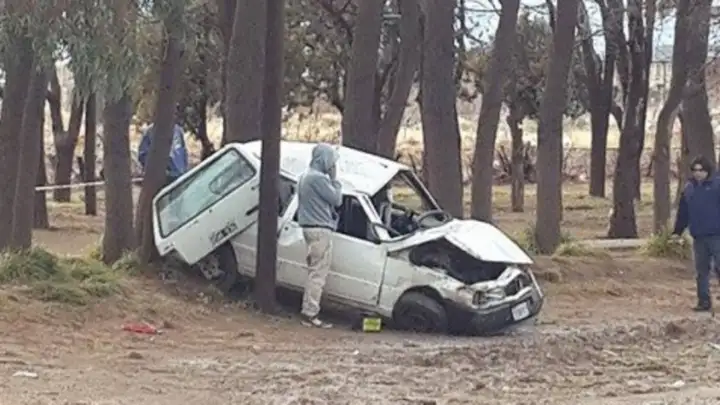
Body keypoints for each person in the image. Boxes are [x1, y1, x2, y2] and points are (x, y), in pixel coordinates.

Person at [296, 143, 343, 328]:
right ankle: (310, 313)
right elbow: (337, 199)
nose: (332, 165)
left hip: (309, 228)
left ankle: (308, 309)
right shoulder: (318, 179)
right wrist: (335, 179)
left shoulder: (304, 176)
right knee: (318, 275)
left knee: (313, 272)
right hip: (320, 230)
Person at [672, 155, 720, 312]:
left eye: (701, 170)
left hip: (717, 234)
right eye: (695, 170)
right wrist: (677, 231)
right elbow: (683, 212)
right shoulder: (689, 188)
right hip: (699, 235)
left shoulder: (717, 185)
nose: (698, 173)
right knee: (701, 271)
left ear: (708, 170)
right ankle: (704, 302)